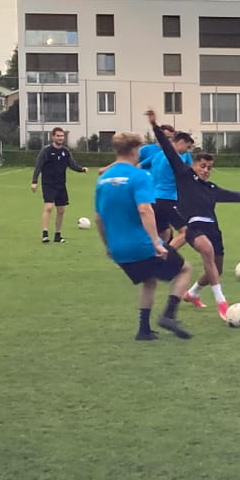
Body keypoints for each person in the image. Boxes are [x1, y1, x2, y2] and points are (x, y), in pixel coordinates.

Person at [145, 110, 240, 322]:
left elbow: (234, 195)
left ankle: (192, 293)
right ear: (193, 165)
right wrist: (155, 126)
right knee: (206, 250)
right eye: (202, 166)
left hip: (214, 229)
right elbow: (168, 149)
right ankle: (221, 303)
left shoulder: (211, 188)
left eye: (209, 168)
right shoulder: (184, 176)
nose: (205, 170)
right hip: (194, 227)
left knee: (217, 269)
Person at [94, 131, 193, 341]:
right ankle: (169, 315)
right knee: (184, 269)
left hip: (119, 250)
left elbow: (99, 219)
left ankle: (143, 330)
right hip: (142, 245)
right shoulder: (139, 176)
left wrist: (108, 246)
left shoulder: (102, 180)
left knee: (149, 281)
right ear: (133, 150)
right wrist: (156, 243)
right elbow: (145, 210)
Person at [30, 126, 89, 243]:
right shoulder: (46, 151)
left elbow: (72, 164)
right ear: (53, 137)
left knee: (61, 210)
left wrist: (81, 169)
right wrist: (34, 181)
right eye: (58, 136)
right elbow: (39, 166)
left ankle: (58, 235)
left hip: (61, 185)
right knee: (48, 207)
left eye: (62, 136)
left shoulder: (65, 151)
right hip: (48, 184)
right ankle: (45, 234)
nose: (60, 138)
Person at [148, 131, 194, 243]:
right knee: (187, 232)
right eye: (187, 147)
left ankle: (157, 257)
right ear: (181, 142)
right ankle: (169, 256)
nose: (187, 151)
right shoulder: (175, 158)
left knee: (163, 232)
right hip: (168, 199)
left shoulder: (159, 155)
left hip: (154, 199)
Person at [97, 125, 175, 176]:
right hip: (146, 186)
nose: (170, 140)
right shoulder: (146, 149)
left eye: (171, 137)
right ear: (158, 137)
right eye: (167, 137)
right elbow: (125, 160)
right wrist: (106, 169)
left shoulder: (175, 153)